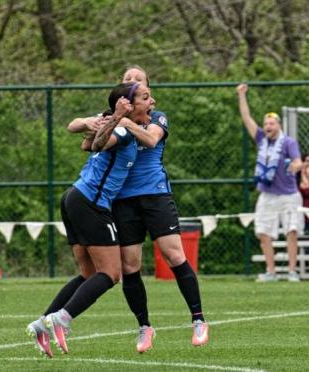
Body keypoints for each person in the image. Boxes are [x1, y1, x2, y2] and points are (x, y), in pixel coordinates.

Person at [67, 66, 208, 353]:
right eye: (127, 79)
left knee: (173, 254)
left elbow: (151, 139)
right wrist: (91, 122)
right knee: (130, 265)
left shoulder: (155, 116)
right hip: (121, 200)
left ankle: (198, 318)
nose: (132, 82)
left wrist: (124, 120)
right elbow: (80, 133)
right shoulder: (114, 117)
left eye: (138, 80)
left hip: (155, 195)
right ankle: (144, 327)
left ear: (148, 91)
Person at [25, 82, 153, 358]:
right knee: (110, 274)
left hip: (75, 197)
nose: (152, 101)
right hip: (91, 202)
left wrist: (97, 122)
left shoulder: (121, 124)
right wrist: (109, 120)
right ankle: (62, 318)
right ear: (127, 104)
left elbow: (85, 139)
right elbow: (95, 140)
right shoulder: (121, 128)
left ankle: (42, 322)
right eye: (146, 97)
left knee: (88, 275)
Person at [237, 83, 304, 282]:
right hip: (267, 194)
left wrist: (295, 166)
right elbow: (246, 118)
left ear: (279, 126)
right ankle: (271, 272)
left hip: (289, 194)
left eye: (271, 123)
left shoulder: (288, 142)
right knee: (263, 232)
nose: (267, 127)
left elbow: (298, 161)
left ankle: (292, 271)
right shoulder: (260, 139)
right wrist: (242, 95)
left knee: (292, 231)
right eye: (266, 123)